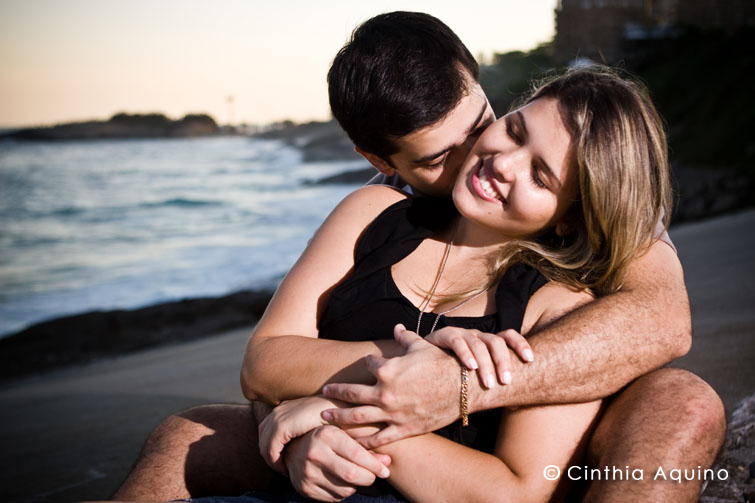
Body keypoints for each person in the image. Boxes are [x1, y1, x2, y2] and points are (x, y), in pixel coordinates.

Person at [113, 12, 724, 503]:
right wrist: (311, 423)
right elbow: (266, 363)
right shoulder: (377, 212)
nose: (482, 162)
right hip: (321, 474)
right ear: (382, 162)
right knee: (183, 434)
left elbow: (664, 319)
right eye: (437, 158)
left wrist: (414, 397)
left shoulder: (570, 271)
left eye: (483, 124)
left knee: (682, 401)